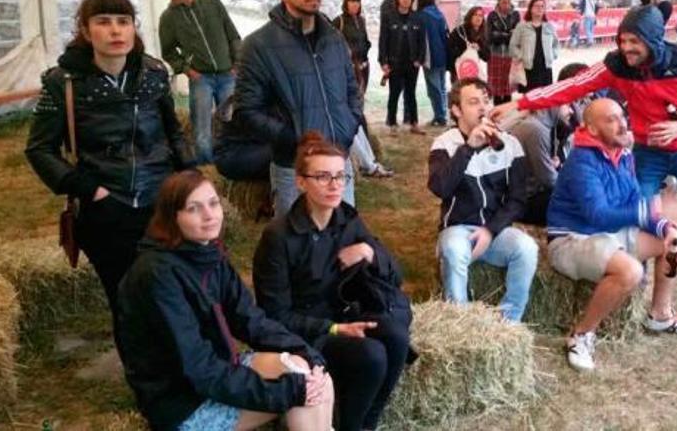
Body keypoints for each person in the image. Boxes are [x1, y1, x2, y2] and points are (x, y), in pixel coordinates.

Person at [491, 5, 677, 329]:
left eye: (633, 42)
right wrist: (522, 102)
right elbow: (573, 85)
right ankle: (632, 284)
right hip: (648, 152)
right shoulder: (617, 66)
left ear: (653, 40)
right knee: (645, 216)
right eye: (622, 40)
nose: (625, 48)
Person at [116, 170, 333, 431]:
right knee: (304, 395)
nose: (209, 215)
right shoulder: (157, 276)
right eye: (194, 208)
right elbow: (197, 367)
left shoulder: (207, 253)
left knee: (308, 374)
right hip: (181, 402)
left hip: (216, 371)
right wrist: (286, 394)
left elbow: (251, 320)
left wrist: (307, 352)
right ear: (173, 217)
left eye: (213, 203)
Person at [26, 0, 192, 319]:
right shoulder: (64, 83)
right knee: (127, 300)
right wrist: (90, 190)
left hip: (160, 200)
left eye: (123, 21)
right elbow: (39, 149)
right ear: (86, 32)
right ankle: (141, 369)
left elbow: (172, 130)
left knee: (174, 293)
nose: (115, 30)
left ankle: (183, 365)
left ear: (134, 28)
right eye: (103, 22)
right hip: (106, 208)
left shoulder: (154, 74)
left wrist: (186, 177)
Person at [253, 132, 412, 431]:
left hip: (344, 313)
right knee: (372, 355)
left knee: (397, 336)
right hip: (305, 331)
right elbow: (274, 315)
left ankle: (368, 421)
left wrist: (369, 252)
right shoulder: (278, 237)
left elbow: (395, 274)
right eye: (323, 176)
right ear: (301, 182)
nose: (335, 185)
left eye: (341, 176)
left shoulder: (346, 219)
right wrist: (334, 328)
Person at [547, 99, 677, 371]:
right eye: (611, 120)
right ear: (592, 130)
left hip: (609, 234)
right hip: (572, 240)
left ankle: (660, 315)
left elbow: (633, 202)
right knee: (630, 272)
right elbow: (598, 214)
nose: (622, 124)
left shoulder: (623, 155)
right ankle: (580, 335)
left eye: (622, 117)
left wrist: (664, 226)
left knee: (676, 237)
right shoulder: (582, 161)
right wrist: (646, 212)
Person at [234, 0, 363, 218]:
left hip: (338, 161)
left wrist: (348, 127)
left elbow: (353, 90)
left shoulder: (334, 39)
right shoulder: (258, 46)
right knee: (297, 246)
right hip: (294, 167)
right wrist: (293, 138)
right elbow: (247, 110)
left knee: (342, 238)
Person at [429, 78, 537, 322]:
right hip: (458, 229)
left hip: (496, 230)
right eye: (473, 102)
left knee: (527, 248)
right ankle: (462, 325)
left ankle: (509, 322)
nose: (483, 108)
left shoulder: (510, 144)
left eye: (486, 101)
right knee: (454, 251)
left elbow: (518, 200)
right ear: (456, 110)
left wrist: (490, 230)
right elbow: (440, 188)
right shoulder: (444, 144)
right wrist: (468, 148)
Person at [159, 0, 241, 164]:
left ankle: (231, 163)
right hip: (201, 78)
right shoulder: (168, 18)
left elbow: (233, 35)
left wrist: (237, 64)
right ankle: (207, 168)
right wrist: (187, 70)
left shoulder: (212, 3)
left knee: (233, 122)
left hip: (228, 74)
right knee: (201, 127)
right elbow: (168, 52)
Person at [509, 63, 589, 226]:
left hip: (531, 192)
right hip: (525, 201)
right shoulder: (535, 129)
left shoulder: (543, 125)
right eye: (567, 105)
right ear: (554, 103)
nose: (572, 110)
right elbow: (548, 179)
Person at [333, 0, 394, 179]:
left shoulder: (362, 21)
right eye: (351, 2)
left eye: (357, 2)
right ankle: (368, 163)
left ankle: (369, 162)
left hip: (362, 68)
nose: (354, 5)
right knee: (354, 116)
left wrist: (363, 53)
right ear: (346, 3)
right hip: (347, 71)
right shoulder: (339, 22)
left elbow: (366, 41)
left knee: (358, 112)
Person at [379, 0, 426, 135]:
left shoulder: (418, 17)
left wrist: (420, 59)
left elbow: (422, 41)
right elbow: (383, 40)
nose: (405, 0)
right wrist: (383, 61)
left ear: (412, 0)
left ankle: (414, 123)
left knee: (411, 93)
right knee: (394, 93)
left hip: (412, 63)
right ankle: (392, 123)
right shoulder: (389, 17)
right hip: (394, 61)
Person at [510, 0, 560, 92]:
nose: (539, 8)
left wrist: (552, 55)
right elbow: (513, 46)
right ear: (530, 9)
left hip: (545, 69)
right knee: (529, 99)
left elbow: (556, 45)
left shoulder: (549, 26)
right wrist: (521, 56)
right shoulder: (522, 26)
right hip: (528, 69)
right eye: (536, 6)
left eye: (542, 6)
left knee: (544, 98)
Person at [417, 0, 450, 127]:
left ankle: (440, 116)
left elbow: (420, 39)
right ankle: (443, 113)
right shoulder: (440, 14)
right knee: (442, 86)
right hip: (442, 55)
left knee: (434, 88)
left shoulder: (422, 16)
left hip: (430, 57)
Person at [486, 0, 521, 105]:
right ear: (498, 1)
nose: (507, 5)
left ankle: (506, 116)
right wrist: (508, 34)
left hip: (510, 56)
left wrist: (501, 34)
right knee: (496, 90)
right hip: (495, 56)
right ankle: (497, 114)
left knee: (508, 89)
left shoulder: (515, 15)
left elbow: (517, 36)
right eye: (504, 2)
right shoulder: (492, 16)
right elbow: (490, 37)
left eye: (509, 2)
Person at [447, 6, 490, 82]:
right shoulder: (459, 31)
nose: (478, 18)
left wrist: (479, 49)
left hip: (474, 72)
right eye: (475, 15)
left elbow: (487, 56)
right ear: (470, 16)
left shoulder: (483, 34)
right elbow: (449, 49)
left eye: (480, 16)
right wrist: (465, 49)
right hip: (458, 71)